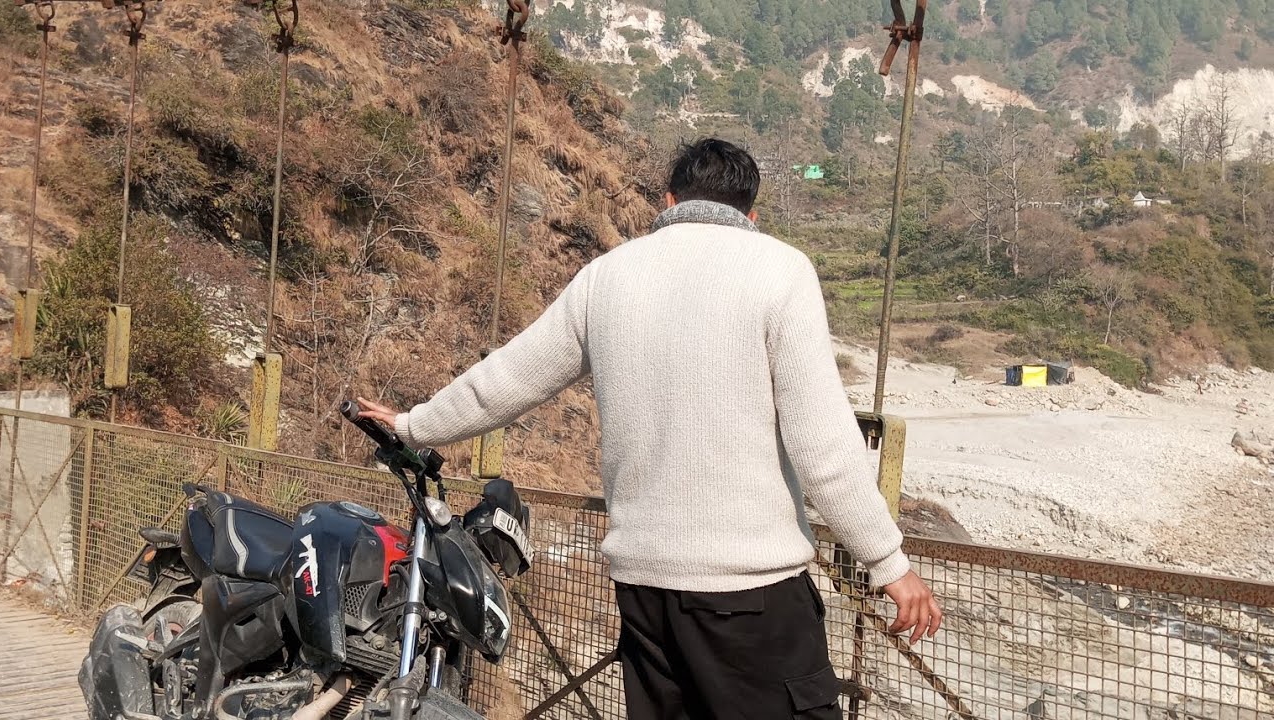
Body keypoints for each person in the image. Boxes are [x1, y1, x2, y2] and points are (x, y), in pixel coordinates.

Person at [357, 138, 941, 719]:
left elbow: (508, 378)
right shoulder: (780, 270)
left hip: (644, 594)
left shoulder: (606, 277)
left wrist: (412, 425)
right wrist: (888, 563)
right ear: (752, 214)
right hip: (750, 595)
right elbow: (824, 444)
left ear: (669, 200)